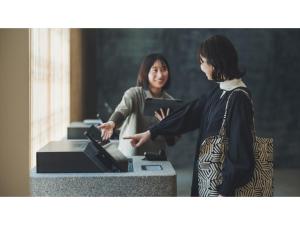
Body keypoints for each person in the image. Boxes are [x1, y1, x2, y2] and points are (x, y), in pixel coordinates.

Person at [124, 35, 255, 197]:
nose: (201, 67)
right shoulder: (220, 91)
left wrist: (226, 192)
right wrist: (152, 132)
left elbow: (240, 152)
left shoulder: (238, 98)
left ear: (215, 62)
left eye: (202, 62)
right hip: (209, 182)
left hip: (222, 190)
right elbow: (190, 113)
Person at [99, 53, 178, 157]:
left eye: (164, 69)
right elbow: (122, 110)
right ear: (146, 72)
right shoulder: (134, 94)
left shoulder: (171, 102)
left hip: (156, 158)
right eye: (155, 70)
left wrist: (166, 127)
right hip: (130, 155)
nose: (160, 75)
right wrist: (112, 123)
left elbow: (171, 141)